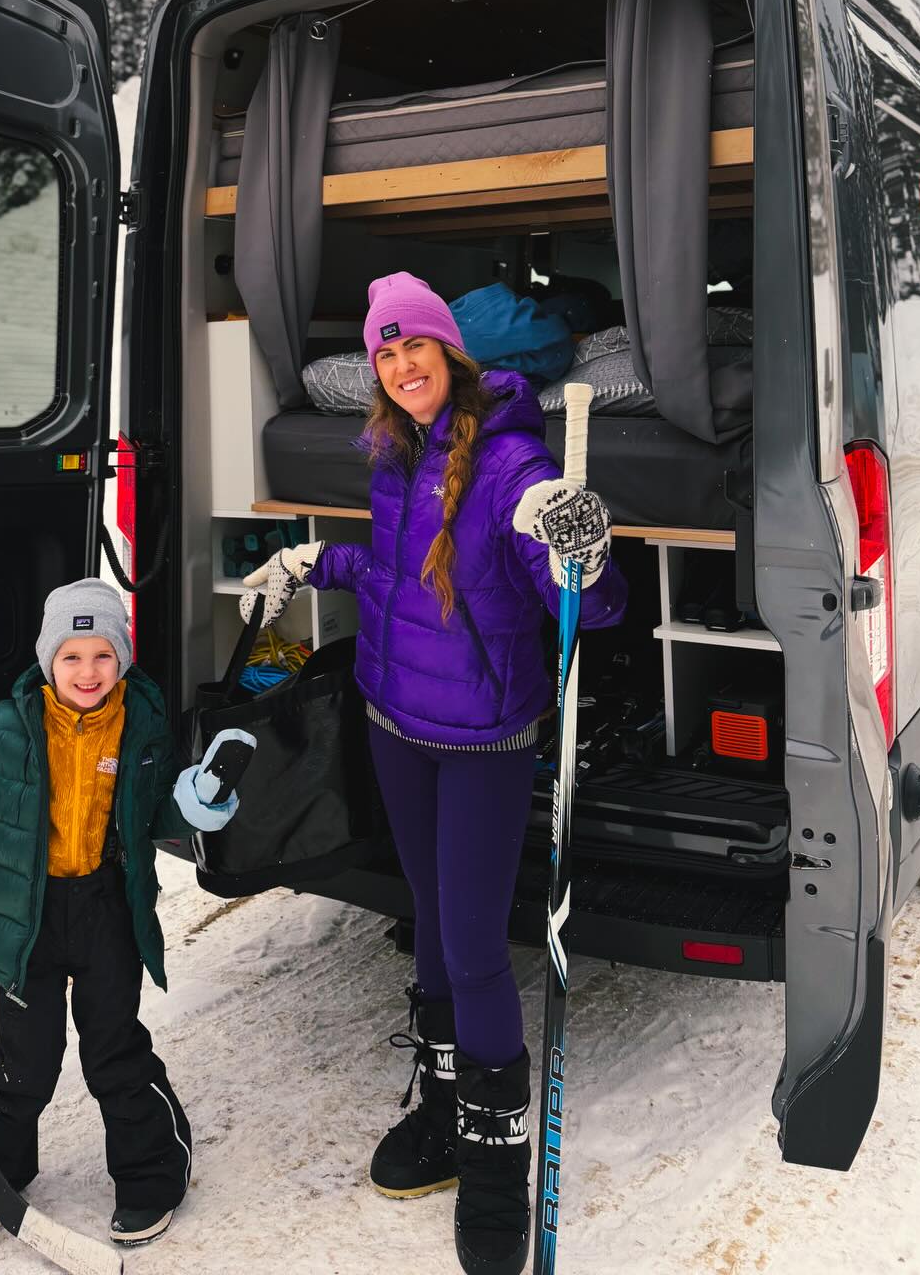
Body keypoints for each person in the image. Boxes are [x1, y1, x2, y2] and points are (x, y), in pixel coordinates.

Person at [241, 273, 626, 1275]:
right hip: (391, 722)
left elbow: (588, 595)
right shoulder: (394, 453)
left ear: (452, 354)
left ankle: (497, 1165)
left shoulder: (510, 461)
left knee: (472, 949)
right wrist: (309, 566)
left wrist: (576, 543)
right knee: (424, 926)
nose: (403, 366)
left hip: (482, 743)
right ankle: (447, 1105)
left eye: (417, 348)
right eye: (384, 352)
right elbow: (396, 572)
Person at [0, 577, 245, 1246]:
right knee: (24, 1058)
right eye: (71, 656)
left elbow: (153, 810)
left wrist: (192, 804)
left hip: (106, 909)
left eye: (102, 654)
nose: (88, 671)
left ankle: (154, 1170)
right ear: (48, 661)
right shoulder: (9, 725)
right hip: (25, 916)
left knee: (113, 1052)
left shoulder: (142, 722)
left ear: (122, 657)